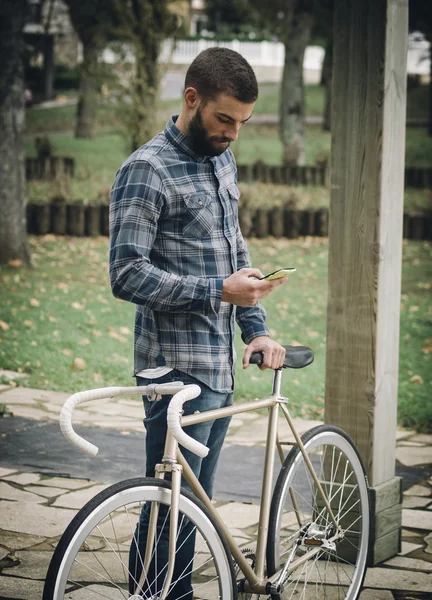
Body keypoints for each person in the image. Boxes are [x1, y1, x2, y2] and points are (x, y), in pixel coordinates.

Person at [109, 47, 287, 599]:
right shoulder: (146, 169)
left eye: (242, 122)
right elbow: (126, 274)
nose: (233, 133)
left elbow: (235, 253)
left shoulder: (221, 159)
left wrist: (253, 325)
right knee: (167, 508)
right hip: (173, 368)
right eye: (224, 119)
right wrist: (218, 292)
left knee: (196, 510)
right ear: (192, 99)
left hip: (219, 366)